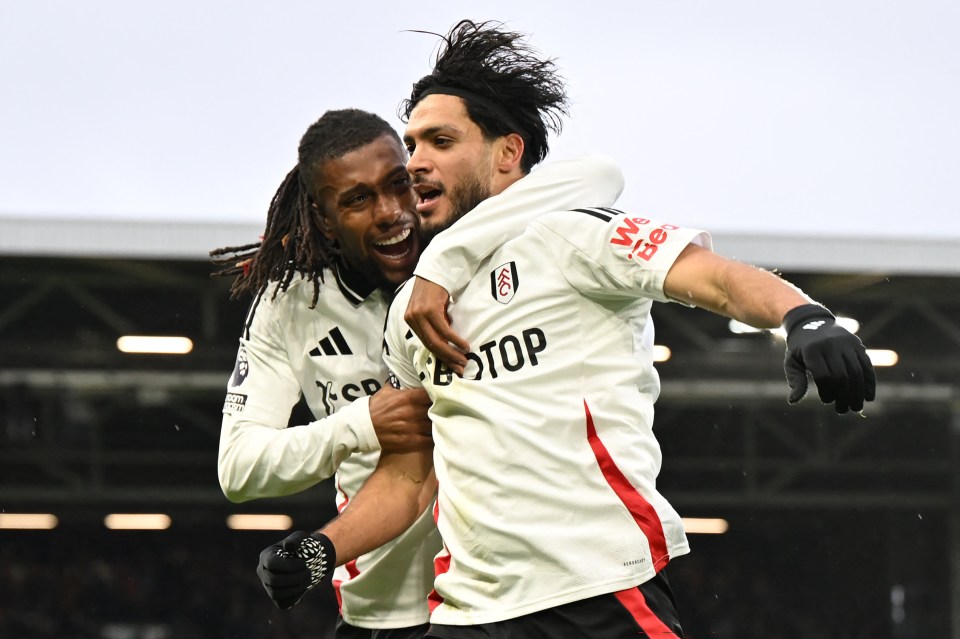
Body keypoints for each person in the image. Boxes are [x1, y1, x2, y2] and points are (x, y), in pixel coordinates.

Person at [256, 20, 876, 639]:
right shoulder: (412, 309)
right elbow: (412, 475)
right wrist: (321, 550)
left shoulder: (573, 235)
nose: (415, 164)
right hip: (468, 612)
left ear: (507, 152)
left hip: (596, 595)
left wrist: (803, 317)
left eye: (440, 142)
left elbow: (714, 278)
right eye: (411, 145)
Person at [216, 108, 627, 636]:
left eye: (399, 184)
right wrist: (361, 424)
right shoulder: (293, 304)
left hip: (503, 600)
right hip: (382, 614)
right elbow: (239, 468)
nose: (392, 212)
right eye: (358, 200)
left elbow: (601, 175)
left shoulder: (475, 239)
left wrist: (445, 260)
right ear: (323, 219)